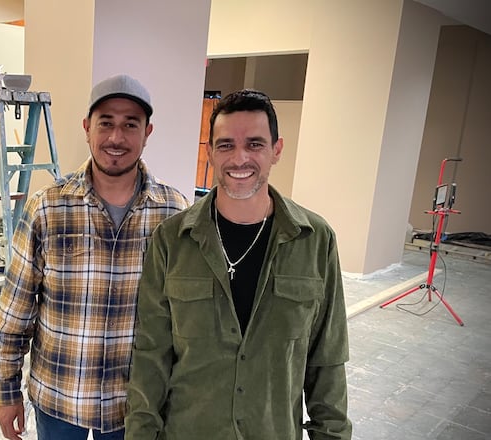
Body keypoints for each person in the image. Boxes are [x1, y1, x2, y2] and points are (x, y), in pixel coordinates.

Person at [125, 89, 352, 439]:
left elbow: (327, 361)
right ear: (210, 153)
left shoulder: (315, 240)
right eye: (226, 145)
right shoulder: (171, 240)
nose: (240, 158)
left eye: (256, 144)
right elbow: (151, 358)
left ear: (277, 150)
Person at [0, 74, 189, 440]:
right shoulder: (47, 208)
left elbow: (186, 318)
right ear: (86, 128)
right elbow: (15, 310)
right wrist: (6, 390)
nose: (116, 137)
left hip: (139, 405)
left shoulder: (173, 213)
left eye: (130, 125)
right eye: (106, 123)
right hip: (61, 400)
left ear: (148, 133)